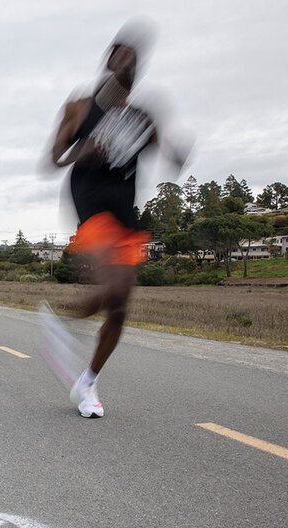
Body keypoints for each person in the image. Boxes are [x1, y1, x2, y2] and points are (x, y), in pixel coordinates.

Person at [44, 22, 187, 418]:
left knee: (120, 306)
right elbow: (51, 160)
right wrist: (85, 149)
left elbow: (168, 152)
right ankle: (64, 327)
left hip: (125, 213)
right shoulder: (81, 107)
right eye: (123, 54)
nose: (131, 62)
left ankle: (87, 382)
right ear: (108, 60)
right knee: (119, 282)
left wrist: (178, 154)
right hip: (89, 203)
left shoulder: (143, 116)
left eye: (137, 58)